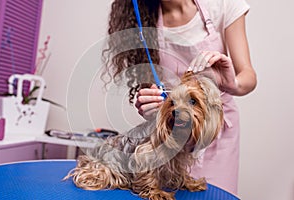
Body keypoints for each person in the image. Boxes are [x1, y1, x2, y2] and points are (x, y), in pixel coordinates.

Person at [102, 0, 257, 195]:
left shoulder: (222, 5)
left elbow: (249, 76)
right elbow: (154, 90)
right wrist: (150, 105)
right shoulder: (143, 22)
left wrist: (228, 82)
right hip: (170, 137)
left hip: (217, 136)